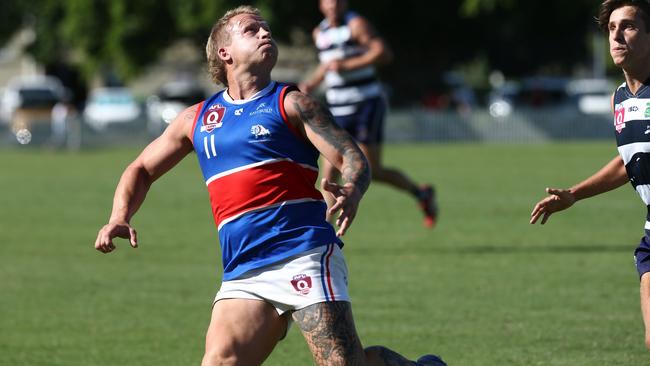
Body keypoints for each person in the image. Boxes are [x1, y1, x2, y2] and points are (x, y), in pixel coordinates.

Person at [94, 6, 446, 366]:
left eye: (267, 29)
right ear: (224, 52)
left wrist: (354, 187)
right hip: (244, 268)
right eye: (251, 30)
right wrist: (119, 215)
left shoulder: (292, 103)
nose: (265, 33)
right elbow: (140, 168)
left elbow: (352, 157)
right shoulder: (196, 119)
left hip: (303, 253)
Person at [530, 0, 650, 350]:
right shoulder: (621, 99)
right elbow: (629, 159)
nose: (617, 36)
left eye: (628, 26)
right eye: (611, 28)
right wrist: (574, 194)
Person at [299, 0, 438, 228]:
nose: (333, 4)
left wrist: (349, 65)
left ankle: (421, 193)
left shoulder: (356, 24)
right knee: (329, 173)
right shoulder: (319, 32)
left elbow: (383, 53)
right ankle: (323, 232)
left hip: (366, 104)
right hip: (337, 108)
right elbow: (328, 65)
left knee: (371, 170)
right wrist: (311, 84)